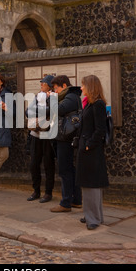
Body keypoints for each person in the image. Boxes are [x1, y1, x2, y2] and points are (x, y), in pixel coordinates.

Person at [76, 75, 109, 230]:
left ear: (90, 86)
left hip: (91, 151)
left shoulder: (98, 105)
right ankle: (92, 215)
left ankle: (93, 219)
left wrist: (89, 145)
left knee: (92, 185)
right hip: (86, 149)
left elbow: (100, 130)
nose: (81, 88)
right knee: (88, 185)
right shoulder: (89, 104)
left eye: (83, 85)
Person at [50, 75, 82, 212]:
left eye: (56, 88)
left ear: (64, 86)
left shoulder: (70, 96)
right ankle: (76, 200)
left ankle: (65, 203)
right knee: (70, 169)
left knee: (65, 170)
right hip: (65, 137)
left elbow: (59, 109)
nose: (55, 91)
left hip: (65, 138)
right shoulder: (69, 96)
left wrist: (50, 100)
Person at [26, 75, 56, 203]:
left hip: (48, 135)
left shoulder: (54, 96)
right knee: (34, 164)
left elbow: (53, 110)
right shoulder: (37, 96)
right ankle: (36, 191)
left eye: (43, 83)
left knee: (49, 164)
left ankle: (48, 193)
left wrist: (39, 110)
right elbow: (28, 111)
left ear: (49, 84)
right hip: (35, 134)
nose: (41, 85)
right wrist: (43, 111)